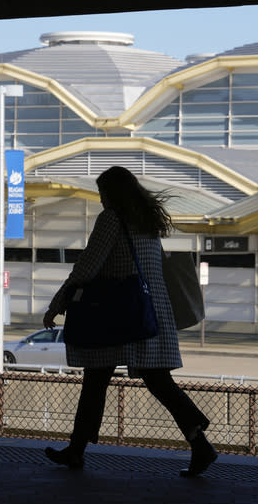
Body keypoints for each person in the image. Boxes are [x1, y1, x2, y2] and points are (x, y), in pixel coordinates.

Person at [42, 166, 217, 477]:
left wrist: (57, 303)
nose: (100, 200)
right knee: (157, 381)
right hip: (151, 312)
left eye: (102, 193)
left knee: (95, 381)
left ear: (112, 193)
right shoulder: (146, 221)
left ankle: (77, 451)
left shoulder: (112, 218)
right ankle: (199, 443)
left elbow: (87, 266)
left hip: (118, 312)